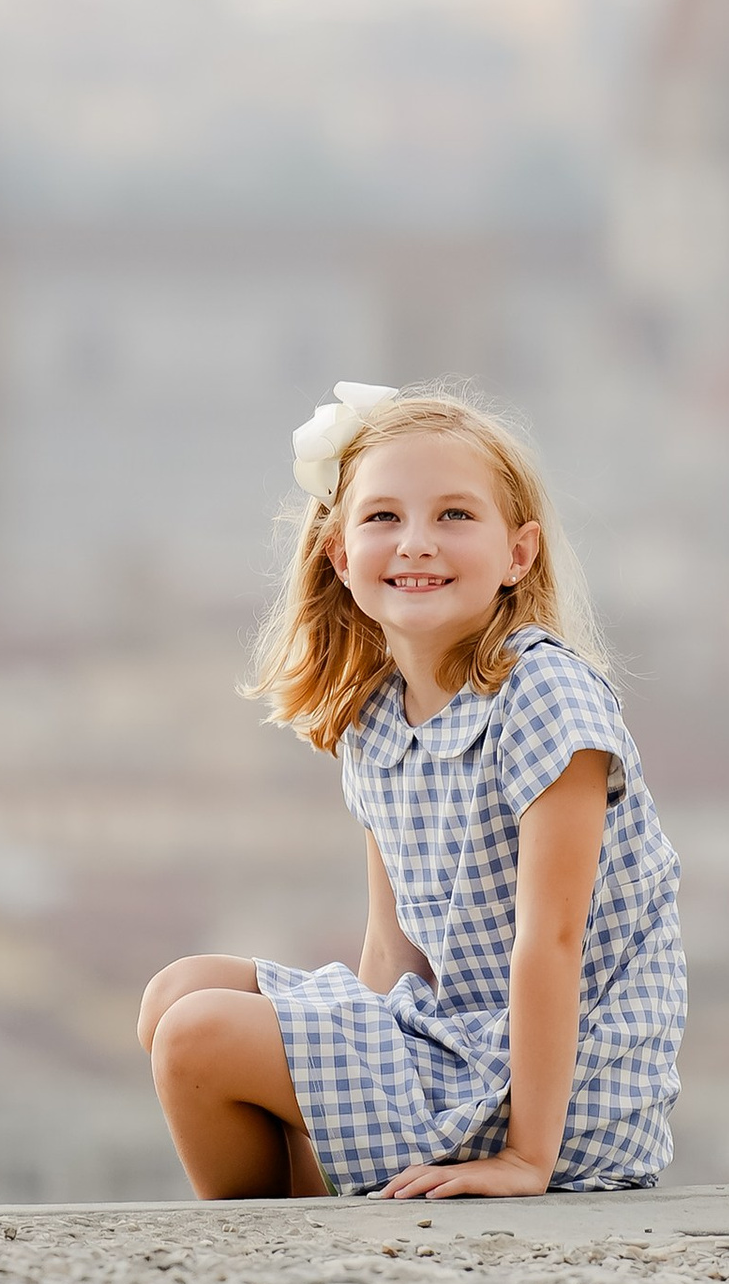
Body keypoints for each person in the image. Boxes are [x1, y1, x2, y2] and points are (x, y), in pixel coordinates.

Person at [138, 384, 685, 1200]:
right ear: (339, 554)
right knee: (175, 992)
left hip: (561, 1097)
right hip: (448, 1050)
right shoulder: (376, 718)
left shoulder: (545, 695)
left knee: (197, 1034)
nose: (417, 543)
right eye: (384, 517)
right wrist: (344, 1064)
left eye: (455, 515)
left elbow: (553, 942)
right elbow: (393, 955)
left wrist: (527, 1160)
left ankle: (290, 1235)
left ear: (519, 554)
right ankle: (315, 1213)